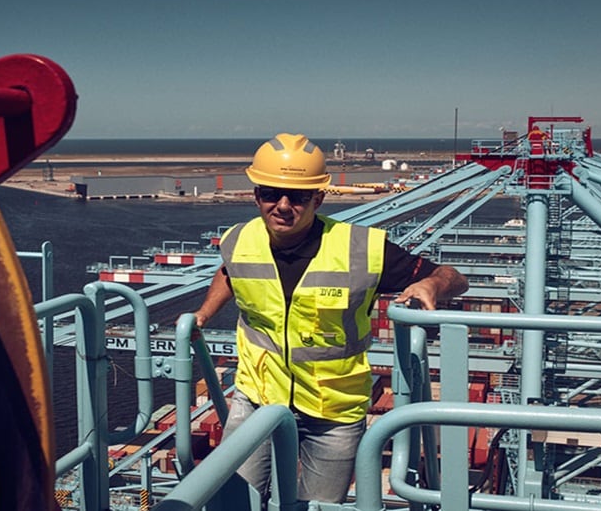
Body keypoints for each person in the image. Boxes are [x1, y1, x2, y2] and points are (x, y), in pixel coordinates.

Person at [190, 133, 468, 504]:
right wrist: (204, 313)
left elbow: (455, 277)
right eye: (271, 193)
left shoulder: (361, 249)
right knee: (234, 502)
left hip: (332, 412)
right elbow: (230, 272)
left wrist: (432, 284)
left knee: (318, 507)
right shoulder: (239, 239)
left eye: (299, 196)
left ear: (319, 198)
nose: (283, 205)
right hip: (256, 396)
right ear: (256, 195)